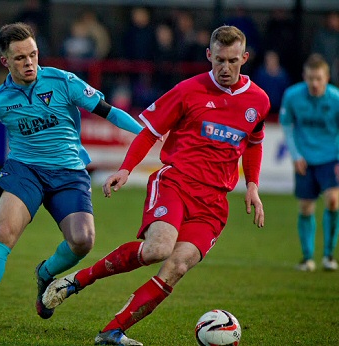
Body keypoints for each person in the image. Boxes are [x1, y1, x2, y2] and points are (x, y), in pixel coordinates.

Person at [42, 25, 270, 345]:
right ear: (209, 55)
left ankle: (112, 332)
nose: (225, 67)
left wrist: (252, 185)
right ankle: (75, 282)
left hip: (214, 202)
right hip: (176, 183)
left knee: (176, 267)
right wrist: (125, 169)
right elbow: (150, 131)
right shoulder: (188, 90)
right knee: (158, 249)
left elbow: (255, 142)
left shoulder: (258, 100)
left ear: (245, 58)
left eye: (233, 60)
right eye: (219, 60)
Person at [0, 22, 142, 334]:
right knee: (5, 232)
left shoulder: (63, 80)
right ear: (5, 62)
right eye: (20, 58)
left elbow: (109, 112)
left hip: (69, 172)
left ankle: (45, 272)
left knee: (83, 241)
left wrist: (148, 135)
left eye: (33, 55)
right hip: (24, 171)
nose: (29, 63)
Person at [279, 53, 339, 272]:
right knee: (306, 207)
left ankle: (329, 255)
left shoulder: (336, 98)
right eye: (311, 78)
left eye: (319, 79)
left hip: (330, 157)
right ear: (304, 76)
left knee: (333, 201)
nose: (314, 83)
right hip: (304, 159)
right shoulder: (292, 96)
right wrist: (295, 155)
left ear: (327, 77)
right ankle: (307, 258)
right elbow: (286, 125)